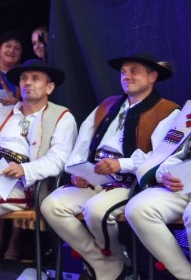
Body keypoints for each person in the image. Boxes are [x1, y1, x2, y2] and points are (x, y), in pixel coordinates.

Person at [41, 52, 178, 280]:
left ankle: (113, 260)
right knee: (51, 206)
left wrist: (120, 164)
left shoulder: (167, 111)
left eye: (134, 71)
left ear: (152, 76)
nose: (126, 76)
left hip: (130, 184)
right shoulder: (107, 106)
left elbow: (160, 159)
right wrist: (77, 171)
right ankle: (104, 263)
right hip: (95, 179)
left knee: (96, 210)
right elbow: (82, 144)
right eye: (123, 72)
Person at [0, 59, 77, 280]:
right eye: (24, 78)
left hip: (24, 185)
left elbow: (60, 159)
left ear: (49, 87)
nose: (27, 83)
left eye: (35, 78)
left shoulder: (62, 116)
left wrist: (25, 169)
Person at [125, 99, 191, 280]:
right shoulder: (189, 114)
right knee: (138, 208)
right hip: (186, 180)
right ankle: (185, 275)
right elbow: (170, 155)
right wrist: (167, 175)